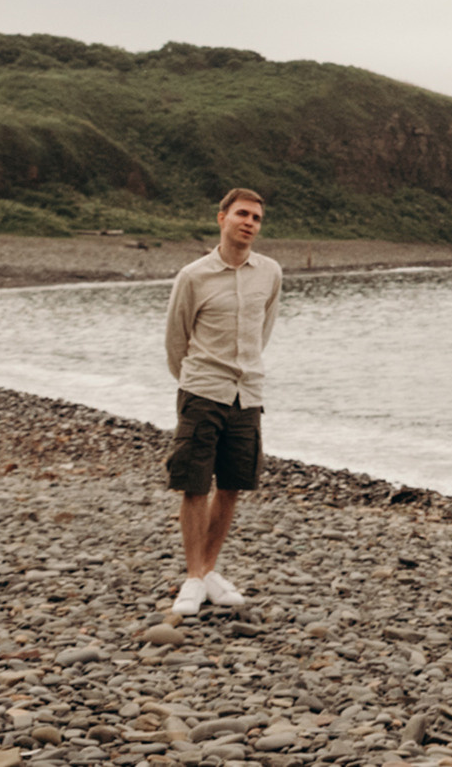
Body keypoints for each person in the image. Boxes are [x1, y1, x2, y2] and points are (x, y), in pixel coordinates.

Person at [162, 187, 283, 616]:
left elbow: (262, 330)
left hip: (247, 393)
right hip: (202, 391)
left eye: (256, 218)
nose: (249, 223)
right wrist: (195, 380)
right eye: (242, 214)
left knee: (232, 484)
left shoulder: (270, 273)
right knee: (194, 484)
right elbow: (176, 339)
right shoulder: (193, 276)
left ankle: (209, 570)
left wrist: (243, 370)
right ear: (222, 218)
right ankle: (193, 577)